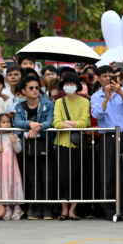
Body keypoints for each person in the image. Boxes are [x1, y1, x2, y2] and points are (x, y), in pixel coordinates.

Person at [90, 64, 123, 218]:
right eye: (104, 76)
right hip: (108, 137)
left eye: (111, 76)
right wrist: (106, 99)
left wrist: (120, 91)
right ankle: (108, 209)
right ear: (99, 78)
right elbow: (97, 114)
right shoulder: (96, 96)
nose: (108, 79)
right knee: (108, 174)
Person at [12, 74, 55, 220]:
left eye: (37, 87)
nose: (35, 90)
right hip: (29, 147)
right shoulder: (20, 105)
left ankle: (47, 209)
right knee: (32, 179)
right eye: (31, 88)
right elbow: (17, 122)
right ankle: (36, 208)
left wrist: (36, 128)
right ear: (24, 91)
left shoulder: (48, 104)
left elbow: (50, 121)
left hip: (45, 145)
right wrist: (29, 124)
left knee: (47, 179)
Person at [53, 71, 90, 221]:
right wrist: (74, 124)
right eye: (66, 84)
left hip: (77, 145)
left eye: (72, 84)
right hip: (61, 144)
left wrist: (66, 124)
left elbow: (85, 122)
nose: (69, 86)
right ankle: (64, 208)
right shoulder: (59, 102)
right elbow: (56, 123)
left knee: (76, 177)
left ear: (77, 86)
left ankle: (73, 209)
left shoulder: (85, 102)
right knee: (62, 177)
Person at [0, 112, 24, 220]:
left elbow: (18, 150)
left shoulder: (14, 136)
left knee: (14, 183)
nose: (7, 124)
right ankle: (7, 207)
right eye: (4, 122)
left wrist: (14, 142)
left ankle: (17, 207)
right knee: (4, 184)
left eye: (8, 122)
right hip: (2, 167)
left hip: (13, 166)